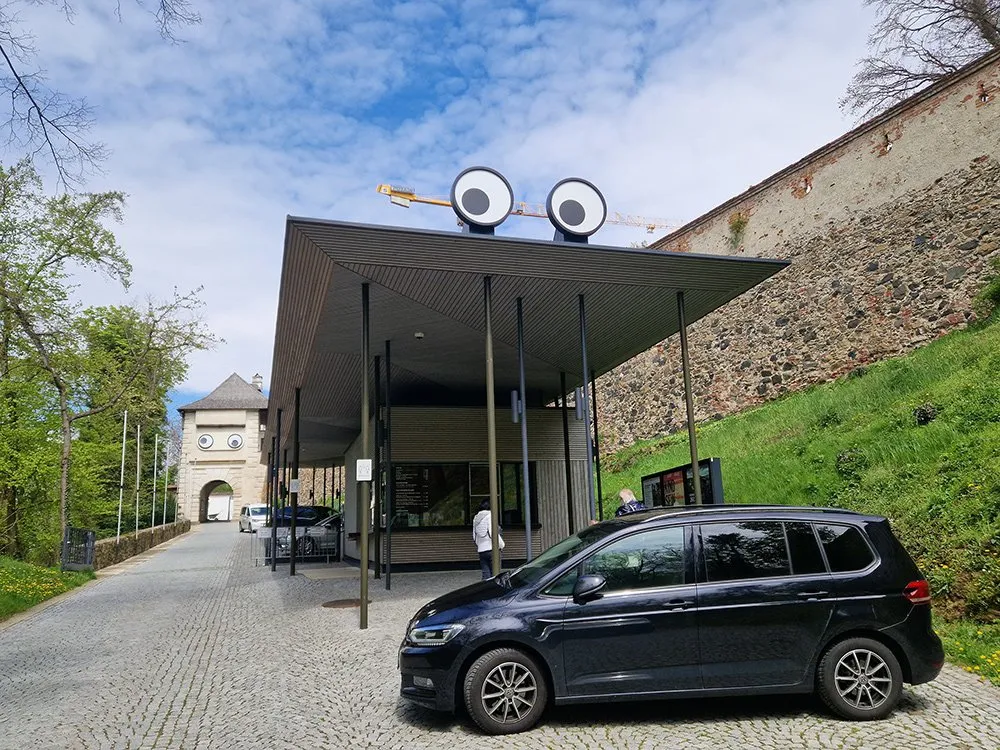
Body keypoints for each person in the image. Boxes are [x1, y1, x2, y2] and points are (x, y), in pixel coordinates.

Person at [472, 499, 503, 580]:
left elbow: (474, 536)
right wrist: (501, 545)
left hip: (481, 550)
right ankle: (495, 591)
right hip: (492, 549)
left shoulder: (475, 518)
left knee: (486, 574)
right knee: (496, 574)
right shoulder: (490, 516)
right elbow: (493, 532)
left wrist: (480, 545)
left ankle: (485, 590)